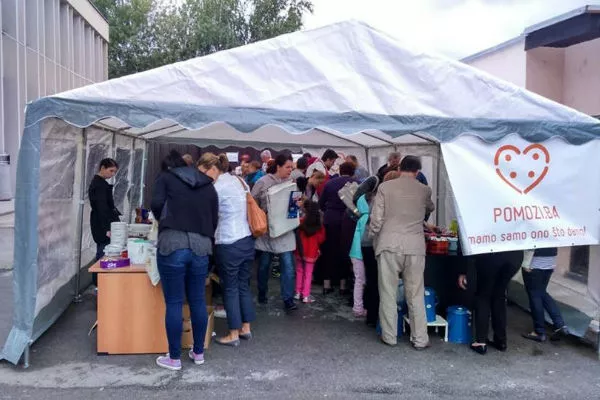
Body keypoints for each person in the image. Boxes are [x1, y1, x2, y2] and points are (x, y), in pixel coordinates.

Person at [150, 150, 219, 371]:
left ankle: (174, 358)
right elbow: (214, 217)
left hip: (172, 243)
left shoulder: (165, 178)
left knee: (174, 302)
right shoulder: (207, 184)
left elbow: (156, 204)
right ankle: (198, 353)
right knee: (197, 300)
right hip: (201, 246)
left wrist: (167, 219)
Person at [369, 156, 435, 349]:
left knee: (388, 293)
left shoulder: (384, 188)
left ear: (399, 168)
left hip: (388, 245)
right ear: (417, 171)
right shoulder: (424, 190)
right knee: (415, 294)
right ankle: (420, 338)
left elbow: (376, 219)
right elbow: (430, 207)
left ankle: (389, 336)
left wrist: (373, 235)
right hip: (415, 247)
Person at [212, 154, 256, 347]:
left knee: (230, 288)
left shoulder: (217, 187)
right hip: (246, 238)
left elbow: (212, 214)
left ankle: (233, 333)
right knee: (243, 285)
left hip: (228, 241)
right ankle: (246, 328)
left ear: (214, 169)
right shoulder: (241, 182)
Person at [251, 154, 298, 312]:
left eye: (292, 167)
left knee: (288, 267)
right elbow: (252, 203)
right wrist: (260, 216)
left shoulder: (292, 182)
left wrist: (297, 205)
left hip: (285, 230)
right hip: (267, 232)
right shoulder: (262, 182)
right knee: (264, 266)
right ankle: (262, 293)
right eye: (287, 167)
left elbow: (294, 207)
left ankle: (288, 299)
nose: (290, 170)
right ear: (278, 166)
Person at [458, 251, 522, 355]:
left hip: (489, 256)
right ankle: (501, 340)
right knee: (499, 296)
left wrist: (462, 270)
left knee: (483, 296)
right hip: (514, 257)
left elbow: (465, 243)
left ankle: (481, 342)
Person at [319, 162, 359, 295]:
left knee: (329, 250)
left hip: (330, 219)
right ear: (353, 172)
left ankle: (327, 284)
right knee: (345, 251)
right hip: (349, 221)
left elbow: (321, 203)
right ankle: (343, 285)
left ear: (340, 171)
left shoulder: (330, 183)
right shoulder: (357, 184)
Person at [521, 248, 569, 342]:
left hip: (533, 261)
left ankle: (539, 332)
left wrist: (526, 262)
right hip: (550, 260)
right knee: (542, 293)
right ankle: (560, 325)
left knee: (535, 295)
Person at [89, 158, 121, 263]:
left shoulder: (101, 183)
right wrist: (107, 228)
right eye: (111, 171)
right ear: (102, 168)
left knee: (104, 250)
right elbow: (101, 208)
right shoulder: (99, 185)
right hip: (102, 224)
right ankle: (99, 272)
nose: (113, 174)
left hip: (102, 222)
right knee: (104, 252)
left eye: (115, 172)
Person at [294, 200, 326, 304]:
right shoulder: (319, 226)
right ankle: (305, 295)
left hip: (300, 251)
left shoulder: (301, 222)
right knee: (308, 274)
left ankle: (297, 292)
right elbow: (321, 239)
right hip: (311, 253)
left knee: (299, 271)